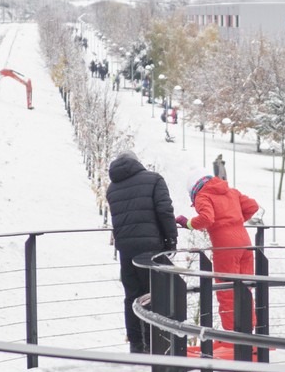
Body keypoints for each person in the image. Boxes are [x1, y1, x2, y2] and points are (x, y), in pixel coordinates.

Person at [106, 151, 177, 353]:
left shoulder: (112, 188)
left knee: (132, 297)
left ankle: (137, 346)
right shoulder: (154, 179)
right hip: (151, 249)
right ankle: (157, 346)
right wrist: (171, 240)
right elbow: (164, 210)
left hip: (126, 251)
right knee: (156, 295)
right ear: (137, 163)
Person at [176, 170, 260, 334]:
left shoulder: (203, 196)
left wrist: (188, 223)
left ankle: (232, 336)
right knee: (245, 288)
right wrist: (234, 221)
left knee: (227, 291)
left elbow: (207, 218)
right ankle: (250, 333)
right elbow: (253, 206)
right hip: (245, 243)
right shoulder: (230, 191)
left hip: (225, 246)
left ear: (194, 190)